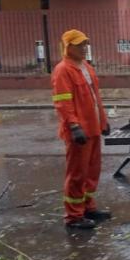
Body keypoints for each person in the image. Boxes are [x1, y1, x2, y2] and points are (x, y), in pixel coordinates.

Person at [51, 29, 111, 230]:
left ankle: (87, 207)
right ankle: (74, 216)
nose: (84, 48)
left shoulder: (85, 67)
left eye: (85, 44)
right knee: (77, 174)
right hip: (79, 132)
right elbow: (63, 103)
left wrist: (103, 121)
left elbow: (95, 98)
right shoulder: (63, 70)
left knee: (92, 171)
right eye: (80, 45)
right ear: (68, 47)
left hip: (92, 128)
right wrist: (74, 126)